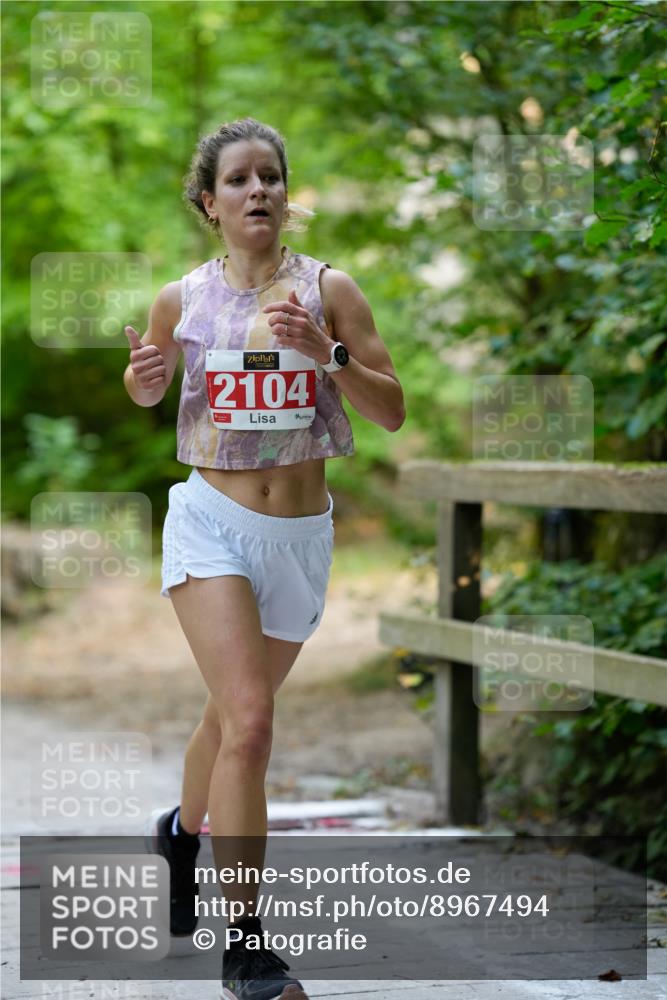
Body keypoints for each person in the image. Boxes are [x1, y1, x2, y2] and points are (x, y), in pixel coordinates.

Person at [124, 117, 405, 1000]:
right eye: (239, 181)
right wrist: (141, 384)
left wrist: (329, 356)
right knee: (250, 722)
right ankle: (246, 948)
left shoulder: (330, 290)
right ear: (209, 203)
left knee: (225, 719)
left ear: (286, 195)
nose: (259, 192)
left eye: (271, 178)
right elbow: (151, 382)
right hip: (210, 522)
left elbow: (392, 410)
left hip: (300, 537)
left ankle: (178, 831)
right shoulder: (181, 299)